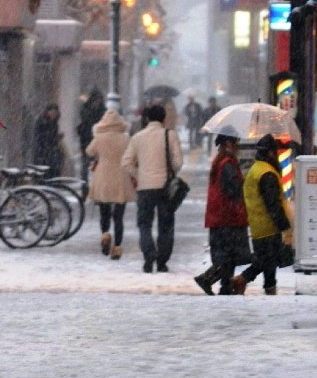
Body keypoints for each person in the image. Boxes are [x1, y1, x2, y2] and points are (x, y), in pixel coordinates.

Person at [121, 103, 184, 273]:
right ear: (164, 118)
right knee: (166, 224)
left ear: (147, 118)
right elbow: (178, 162)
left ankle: (149, 256)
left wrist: (139, 175)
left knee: (144, 224)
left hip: (145, 187)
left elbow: (126, 162)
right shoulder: (169, 135)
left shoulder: (138, 137)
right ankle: (162, 261)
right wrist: (170, 171)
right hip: (165, 187)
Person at [231, 134, 291, 296]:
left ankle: (268, 288)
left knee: (267, 261)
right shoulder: (267, 173)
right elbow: (273, 204)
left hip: (258, 224)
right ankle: (243, 280)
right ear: (271, 153)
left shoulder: (255, 169)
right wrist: (283, 225)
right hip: (268, 225)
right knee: (267, 260)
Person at [194, 129, 251, 295]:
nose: (238, 146)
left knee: (229, 255)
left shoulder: (222, 161)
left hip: (221, 217)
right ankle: (208, 279)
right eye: (236, 143)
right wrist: (244, 183)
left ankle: (224, 286)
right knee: (228, 256)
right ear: (228, 144)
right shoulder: (227, 164)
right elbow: (233, 190)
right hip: (228, 217)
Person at [85, 108, 136, 260]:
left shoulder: (99, 138)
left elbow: (89, 151)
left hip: (103, 177)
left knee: (104, 212)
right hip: (121, 177)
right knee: (119, 216)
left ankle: (105, 234)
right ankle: (117, 248)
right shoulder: (126, 138)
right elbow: (132, 155)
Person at [76, 90, 106, 193]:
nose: (97, 102)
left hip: (98, 142)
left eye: (99, 100)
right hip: (86, 141)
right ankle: (84, 187)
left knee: (98, 166)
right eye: (95, 100)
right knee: (85, 166)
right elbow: (85, 120)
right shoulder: (86, 109)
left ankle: (97, 188)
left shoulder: (102, 110)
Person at [33, 103, 64, 178]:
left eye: (55, 112)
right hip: (45, 153)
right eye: (52, 112)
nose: (54, 114)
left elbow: (51, 138)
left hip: (52, 153)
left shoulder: (54, 123)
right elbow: (40, 138)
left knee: (54, 173)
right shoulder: (42, 122)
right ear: (48, 112)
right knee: (45, 175)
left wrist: (57, 137)